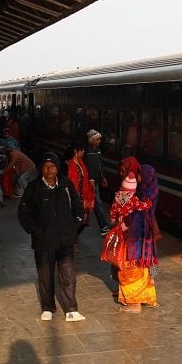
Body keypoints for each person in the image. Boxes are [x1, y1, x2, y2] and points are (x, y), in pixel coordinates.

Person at [17, 152, 86, 322]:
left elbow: (78, 205)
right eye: (46, 166)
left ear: (57, 168)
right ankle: (47, 307)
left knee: (68, 274)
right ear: (41, 169)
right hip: (43, 241)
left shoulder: (65, 184)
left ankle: (71, 309)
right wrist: (34, 230)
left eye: (53, 166)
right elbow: (23, 212)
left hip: (65, 239)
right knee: (45, 275)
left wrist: (75, 224)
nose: (50, 169)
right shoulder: (33, 187)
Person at [109, 172, 157, 312]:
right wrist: (148, 202)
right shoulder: (136, 200)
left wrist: (118, 222)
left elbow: (112, 218)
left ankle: (134, 303)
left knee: (128, 270)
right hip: (138, 241)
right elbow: (146, 206)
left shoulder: (117, 198)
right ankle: (148, 298)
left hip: (127, 242)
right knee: (141, 269)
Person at [66, 140, 95, 235]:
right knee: (76, 219)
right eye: (81, 150)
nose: (83, 152)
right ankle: (72, 239)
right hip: (74, 197)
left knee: (82, 220)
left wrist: (90, 180)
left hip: (82, 197)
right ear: (75, 151)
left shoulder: (80, 162)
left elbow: (84, 176)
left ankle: (73, 237)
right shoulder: (69, 164)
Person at [85, 129, 110, 233]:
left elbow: (100, 165)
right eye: (97, 139)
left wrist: (102, 177)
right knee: (92, 205)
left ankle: (103, 226)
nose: (99, 141)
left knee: (97, 204)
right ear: (91, 139)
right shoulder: (86, 151)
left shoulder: (98, 150)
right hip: (87, 183)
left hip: (95, 182)